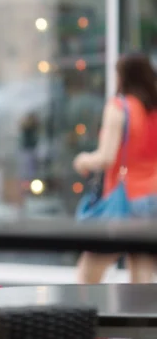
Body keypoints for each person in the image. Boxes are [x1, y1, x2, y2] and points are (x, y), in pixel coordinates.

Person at [73, 53, 157, 284]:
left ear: (123, 76)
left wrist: (83, 160)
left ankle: (87, 320)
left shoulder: (119, 107)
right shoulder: (153, 109)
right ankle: (142, 322)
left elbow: (106, 157)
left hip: (125, 198)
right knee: (142, 280)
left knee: (88, 274)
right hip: (152, 198)